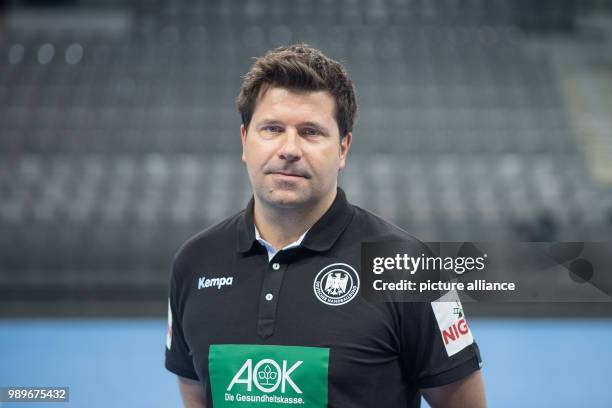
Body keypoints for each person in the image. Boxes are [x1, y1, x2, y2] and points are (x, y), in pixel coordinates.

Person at [165, 44, 486, 408]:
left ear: (344, 148)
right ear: (244, 141)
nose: (289, 148)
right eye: (271, 128)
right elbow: (195, 396)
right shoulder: (193, 263)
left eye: (311, 132)